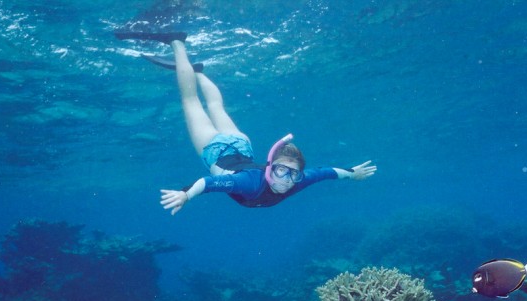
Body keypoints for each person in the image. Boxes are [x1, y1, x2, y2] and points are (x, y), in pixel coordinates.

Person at [136, 36, 377, 215]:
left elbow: (326, 172)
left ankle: (197, 72)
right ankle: (177, 43)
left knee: (217, 107)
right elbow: (207, 183)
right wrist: (186, 194)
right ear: (270, 167)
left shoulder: (298, 181)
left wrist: (352, 174)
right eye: (281, 171)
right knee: (191, 101)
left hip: (242, 145)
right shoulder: (249, 183)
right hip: (216, 150)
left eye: (293, 174)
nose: (286, 180)